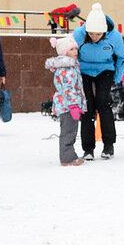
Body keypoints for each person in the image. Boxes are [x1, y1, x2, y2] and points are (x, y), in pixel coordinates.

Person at [71, 2, 124, 160]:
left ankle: (108, 145)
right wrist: (74, 76)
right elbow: (69, 54)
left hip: (105, 70)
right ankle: (88, 148)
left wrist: (116, 77)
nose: (94, 37)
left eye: (98, 34)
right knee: (87, 107)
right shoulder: (78, 35)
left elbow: (123, 57)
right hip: (85, 71)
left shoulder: (114, 37)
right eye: (91, 34)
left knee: (103, 103)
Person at [46, 34, 87, 166]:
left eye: (76, 49)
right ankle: (67, 158)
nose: (75, 52)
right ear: (64, 52)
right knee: (68, 132)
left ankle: (68, 155)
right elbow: (69, 88)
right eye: (71, 49)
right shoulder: (66, 68)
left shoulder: (71, 66)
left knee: (70, 131)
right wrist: (74, 105)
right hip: (68, 106)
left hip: (68, 105)